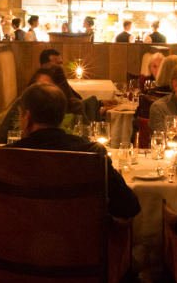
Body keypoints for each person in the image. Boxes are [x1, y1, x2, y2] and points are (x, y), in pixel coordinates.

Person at [10, 83, 139, 219]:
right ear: (61, 116)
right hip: (81, 238)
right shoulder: (91, 153)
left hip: (17, 238)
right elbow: (129, 206)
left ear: (27, 117)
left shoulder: (5, 157)